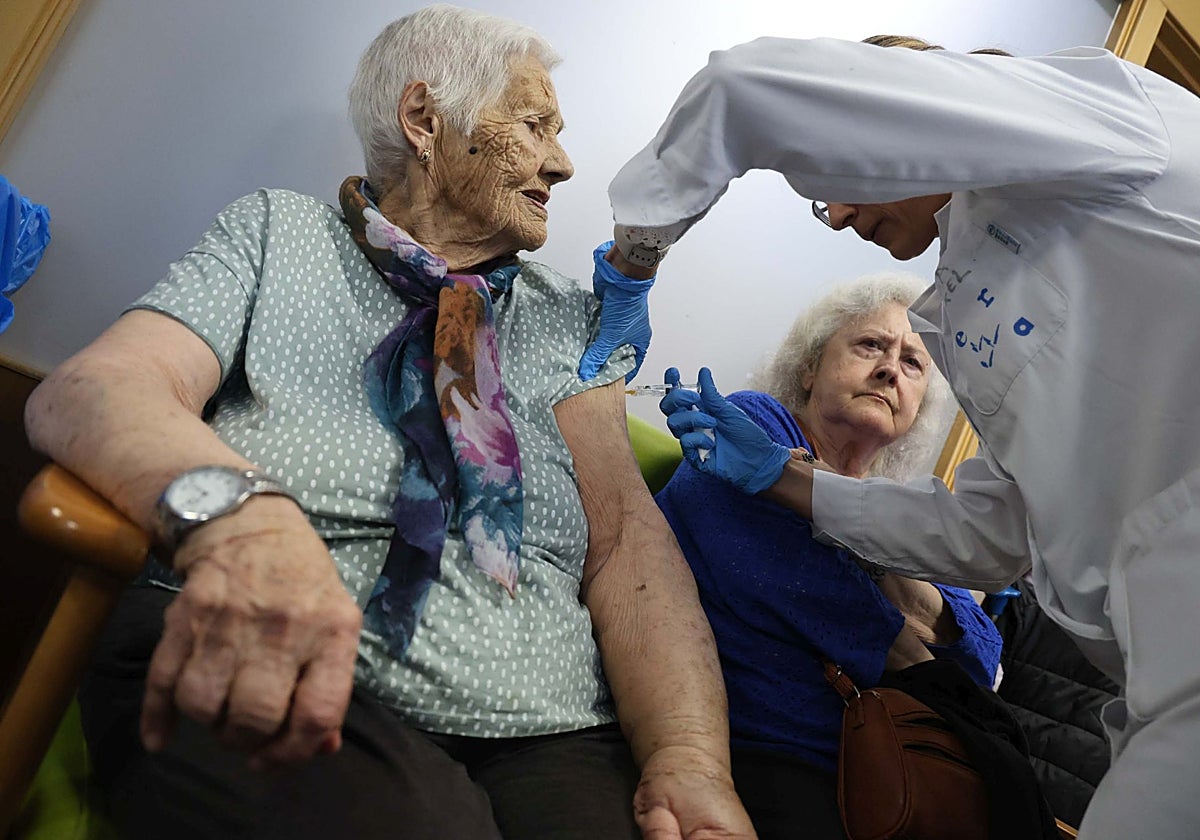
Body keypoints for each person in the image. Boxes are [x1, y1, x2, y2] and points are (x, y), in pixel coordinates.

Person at [22, 6, 754, 839]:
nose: (563, 162)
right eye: (535, 125)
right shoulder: (279, 234)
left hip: (544, 722)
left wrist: (688, 762)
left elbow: (625, 545)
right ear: (422, 120)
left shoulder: (564, 320)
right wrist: (244, 525)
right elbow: (95, 389)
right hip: (283, 646)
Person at [591, 30, 1200, 840]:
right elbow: (989, 535)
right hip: (1151, 665)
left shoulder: (1097, 112)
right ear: (808, 370)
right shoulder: (969, 296)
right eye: (869, 348)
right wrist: (785, 477)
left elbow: (742, 85)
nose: (839, 215)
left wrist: (633, 266)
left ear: (912, 106)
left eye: (842, 175)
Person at [655, 272, 1007, 838]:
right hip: (763, 748)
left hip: (886, 772)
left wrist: (880, 558)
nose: (891, 368)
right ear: (809, 367)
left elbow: (984, 658)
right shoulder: (752, 427)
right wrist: (914, 639)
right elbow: (782, 581)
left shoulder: (906, 512)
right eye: (871, 345)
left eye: (914, 363)